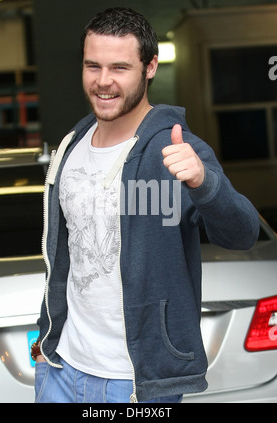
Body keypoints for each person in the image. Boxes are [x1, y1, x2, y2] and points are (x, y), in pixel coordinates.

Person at [32, 7, 259, 403]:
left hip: (137, 385)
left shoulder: (173, 149)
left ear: (150, 67)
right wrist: (46, 344)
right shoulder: (71, 147)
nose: (103, 82)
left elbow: (243, 234)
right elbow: (68, 261)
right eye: (93, 66)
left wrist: (203, 182)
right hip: (61, 371)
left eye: (120, 67)